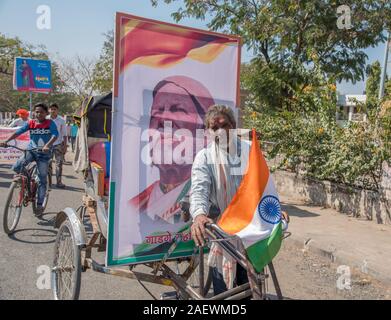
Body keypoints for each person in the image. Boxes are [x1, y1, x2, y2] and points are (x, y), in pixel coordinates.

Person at [129, 76, 215, 225]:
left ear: (204, 132)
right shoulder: (136, 204)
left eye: (178, 109)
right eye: (158, 111)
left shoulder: (211, 197)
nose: (164, 119)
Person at [189, 104, 251, 295]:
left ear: (232, 126)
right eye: (214, 128)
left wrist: (273, 206)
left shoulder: (249, 151)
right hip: (223, 233)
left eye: (224, 126)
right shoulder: (205, 157)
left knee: (251, 286)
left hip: (250, 232)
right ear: (208, 132)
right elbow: (199, 189)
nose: (220, 132)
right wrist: (199, 215)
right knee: (224, 293)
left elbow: (263, 183)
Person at [0, 103, 58, 216]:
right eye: (36, 112)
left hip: (44, 154)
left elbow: (55, 135)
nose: (38, 114)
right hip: (31, 150)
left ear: (46, 113)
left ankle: (40, 204)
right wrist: (6, 141)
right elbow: (18, 132)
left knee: (42, 180)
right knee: (17, 167)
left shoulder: (50, 123)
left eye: (41, 112)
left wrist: (47, 145)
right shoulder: (30, 123)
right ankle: (25, 184)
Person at [48, 103, 67, 189]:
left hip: (58, 144)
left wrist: (65, 146)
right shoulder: (45, 119)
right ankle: (49, 182)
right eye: (51, 109)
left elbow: (64, 134)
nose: (52, 111)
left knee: (59, 164)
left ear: (57, 110)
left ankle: (59, 182)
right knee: (48, 163)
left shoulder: (61, 120)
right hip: (47, 145)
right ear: (49, 110)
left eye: (54, 109)